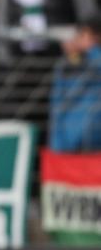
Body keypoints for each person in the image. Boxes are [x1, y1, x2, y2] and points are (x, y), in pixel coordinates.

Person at [49, 14, 101, 151]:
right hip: (68, 144)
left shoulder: (95, 60)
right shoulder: (65, 65)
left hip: (95, 143)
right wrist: (56, 144)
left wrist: (92, 50)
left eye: (84, 35)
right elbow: (57, 104)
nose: (77, 40)